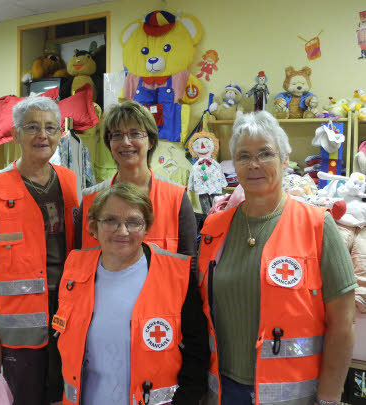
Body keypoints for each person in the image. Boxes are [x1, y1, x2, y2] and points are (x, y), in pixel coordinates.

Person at [197, 111, 357, 405]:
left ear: (285, 161)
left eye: (265, 153)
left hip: (297, 396)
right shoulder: (213, 228)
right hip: (223, 390)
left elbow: (343, 324)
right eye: (243, 156)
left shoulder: (318, 226)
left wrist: (329, 399)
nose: (254, 164)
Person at [52, 182, 209, 405]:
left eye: (133, 222)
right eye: (110, 221)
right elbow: (58, 338)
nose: (122, 231)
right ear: (93, 227)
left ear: (147, 228)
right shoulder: (73, 269)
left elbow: (197, 353)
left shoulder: (178, 275)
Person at [0, 96, 78, 405]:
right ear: (16, 134)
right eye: (32, 127)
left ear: (60, 134)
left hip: (68, 314)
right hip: (18, 327)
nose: (42, 135)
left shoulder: (70, 181)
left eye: (50, 127)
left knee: (64, 394)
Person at [77, 100, 197, 255]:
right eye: (117, 135)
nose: (126, 142)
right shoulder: (90, 199)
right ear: (109, 143)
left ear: (151, 141)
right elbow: (78, 261)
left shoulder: (177, 198)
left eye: (135, 134)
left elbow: (189, 264)